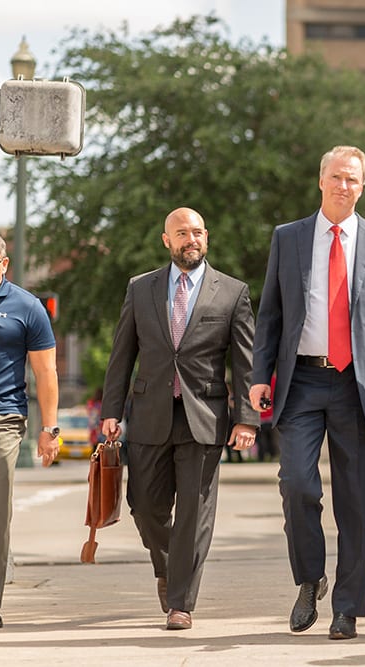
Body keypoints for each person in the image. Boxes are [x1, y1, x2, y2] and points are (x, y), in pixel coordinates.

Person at [248, 145, 365, 640]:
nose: (344, 186)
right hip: (300, 381)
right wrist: (261, 374)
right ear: (321, 180)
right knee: (296, 484)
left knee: (356, 501)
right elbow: (271, 314)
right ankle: (309, 577)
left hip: (356, 385)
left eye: (354, 180)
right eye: (337, 177)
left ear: (363, 186)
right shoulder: (290, 238)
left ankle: (347, 608)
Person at [100, 207, 259, 631]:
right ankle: (169, 567)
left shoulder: (232, 292)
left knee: (194, 510)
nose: (191, 239)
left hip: (204, 416)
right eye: (182, 233)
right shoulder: (140, 288)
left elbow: (246, 362)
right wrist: (111, 412)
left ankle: (181, 603)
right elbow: (122, 357)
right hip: (149, 412)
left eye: (197, 232)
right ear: (165, 240)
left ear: (206, 237)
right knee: (144, 508)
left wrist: (246, 419)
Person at [0, 232, 60, 630]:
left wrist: (50, 428)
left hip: (2, 418)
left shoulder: (27, 307)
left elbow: (46, 371)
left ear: (4, 265)